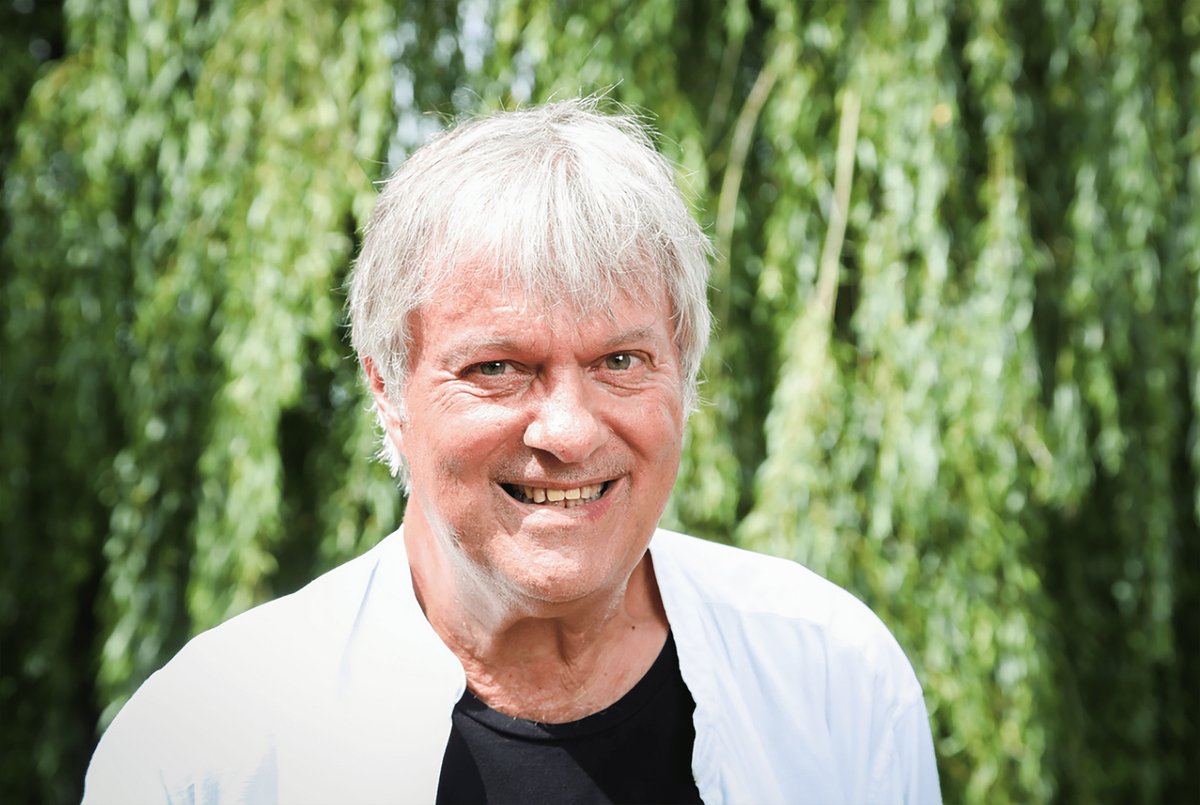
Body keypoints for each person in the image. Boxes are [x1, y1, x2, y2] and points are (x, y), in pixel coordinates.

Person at [83, 98, 941, 804]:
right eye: (498, 368)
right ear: (386, 388)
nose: (568, 430)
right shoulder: (206, 753)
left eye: (619, 361)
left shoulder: (833, 681)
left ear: (685, 374)